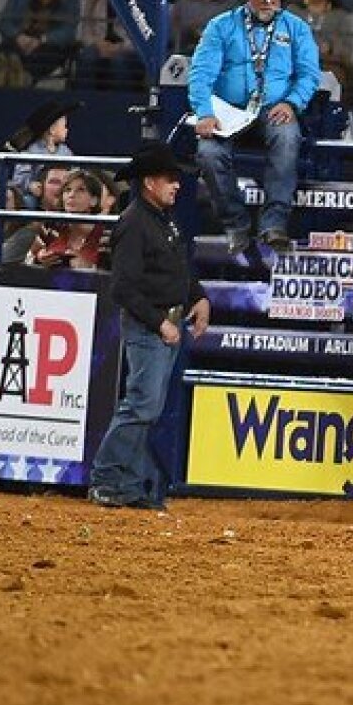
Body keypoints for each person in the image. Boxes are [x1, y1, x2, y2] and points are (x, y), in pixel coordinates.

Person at [89, 144, 210, 511]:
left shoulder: (159, 219)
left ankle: (126, 482)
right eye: (169, 179)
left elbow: (177, 268)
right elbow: (122, 287)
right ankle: (108, 478)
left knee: (146, 407)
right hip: (152, 326)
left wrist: (198, 297)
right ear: (149, 182)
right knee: (142, 405)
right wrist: (160, 322)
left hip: (163, 324)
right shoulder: (135, 223)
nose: (176, 185)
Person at [190, 0, 323, 253]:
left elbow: (309, 75)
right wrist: (205, 112)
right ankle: (236, 223)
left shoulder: (297, 29)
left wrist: (292, 103)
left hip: (274, 109)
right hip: (228, 113)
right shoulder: (221, 26)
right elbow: (200, 73)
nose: (265, 0)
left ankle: (273, 224)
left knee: (288, 136)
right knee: (208, 153)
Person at [28, 168, 113, 269]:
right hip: (49, 283)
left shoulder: (105, 234)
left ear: (93, 200)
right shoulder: (51, 225)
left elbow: (110, 275)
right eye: (67, 190)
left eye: (81, 190)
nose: (71, 195)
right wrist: (39, 260)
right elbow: (27, 262)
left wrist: (88, 267)